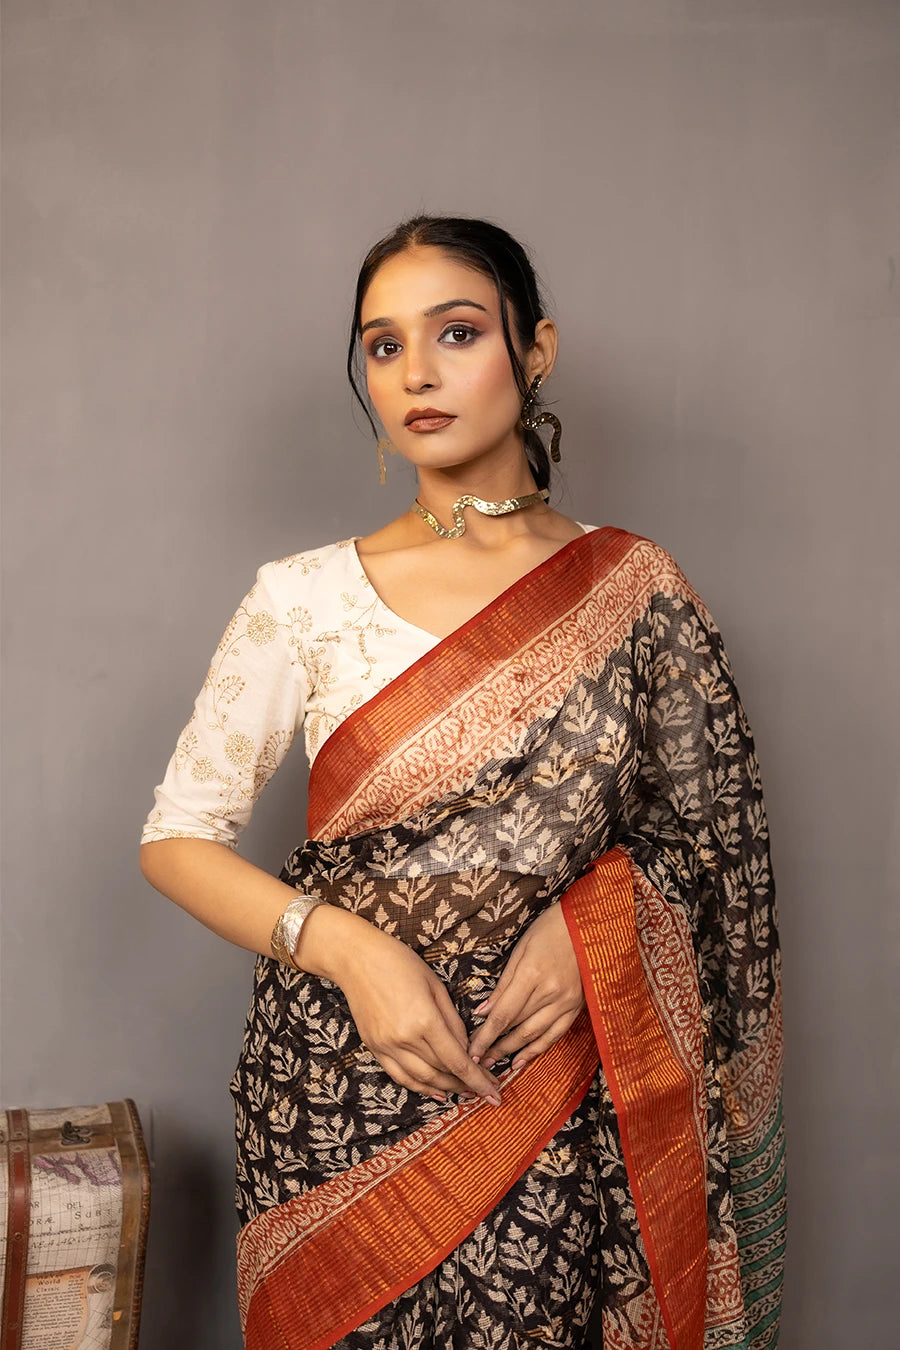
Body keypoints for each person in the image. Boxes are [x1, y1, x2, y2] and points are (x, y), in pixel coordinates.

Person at [140, 216, 785, 1350]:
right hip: (335, 1083)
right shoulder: (305, 598)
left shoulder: (637, 591)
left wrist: (594, 936)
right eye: (383, 347)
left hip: (551, 1087)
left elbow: (710, 850)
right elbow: (176, 837)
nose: (418, 373)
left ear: (535, 350)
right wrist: (350, 950)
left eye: (456, 332)